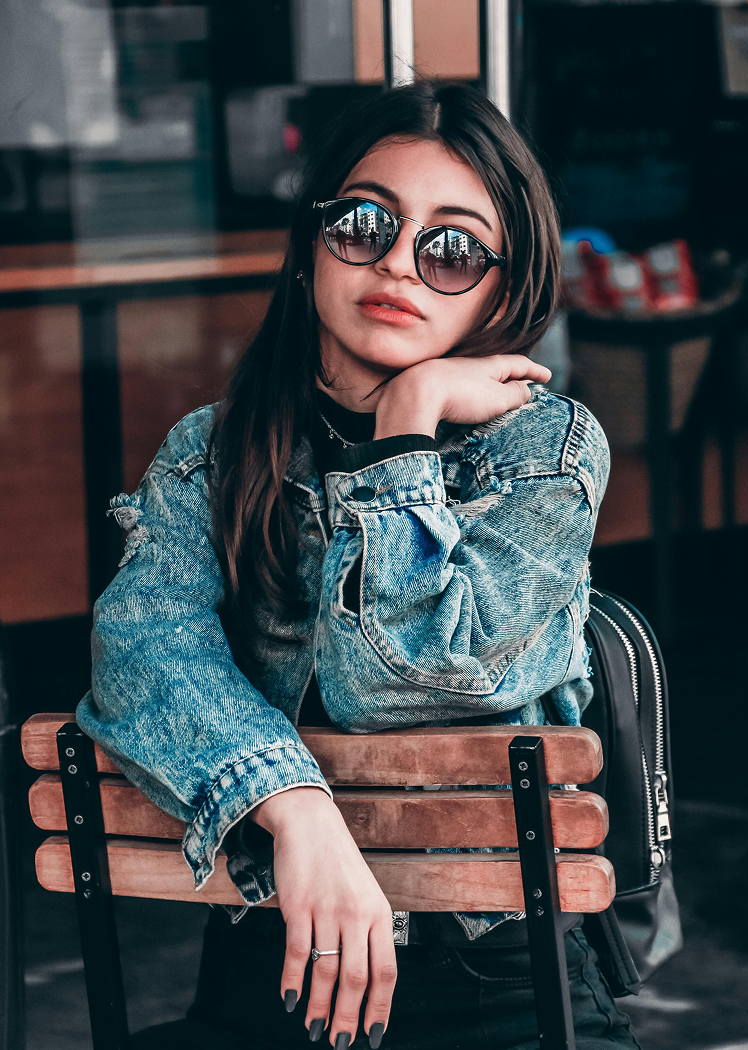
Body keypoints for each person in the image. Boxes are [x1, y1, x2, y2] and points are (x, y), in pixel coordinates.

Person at [77, 83, 637, 1050]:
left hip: (495, 987)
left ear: (504, 290)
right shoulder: (215, 452)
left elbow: (407, 681)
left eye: (451, 247)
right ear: (310, 247)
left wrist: (403, 429)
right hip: (269, 968)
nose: (399, 265)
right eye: (365, 223)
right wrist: (299, 816)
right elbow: (141, 648)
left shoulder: (544, 452)